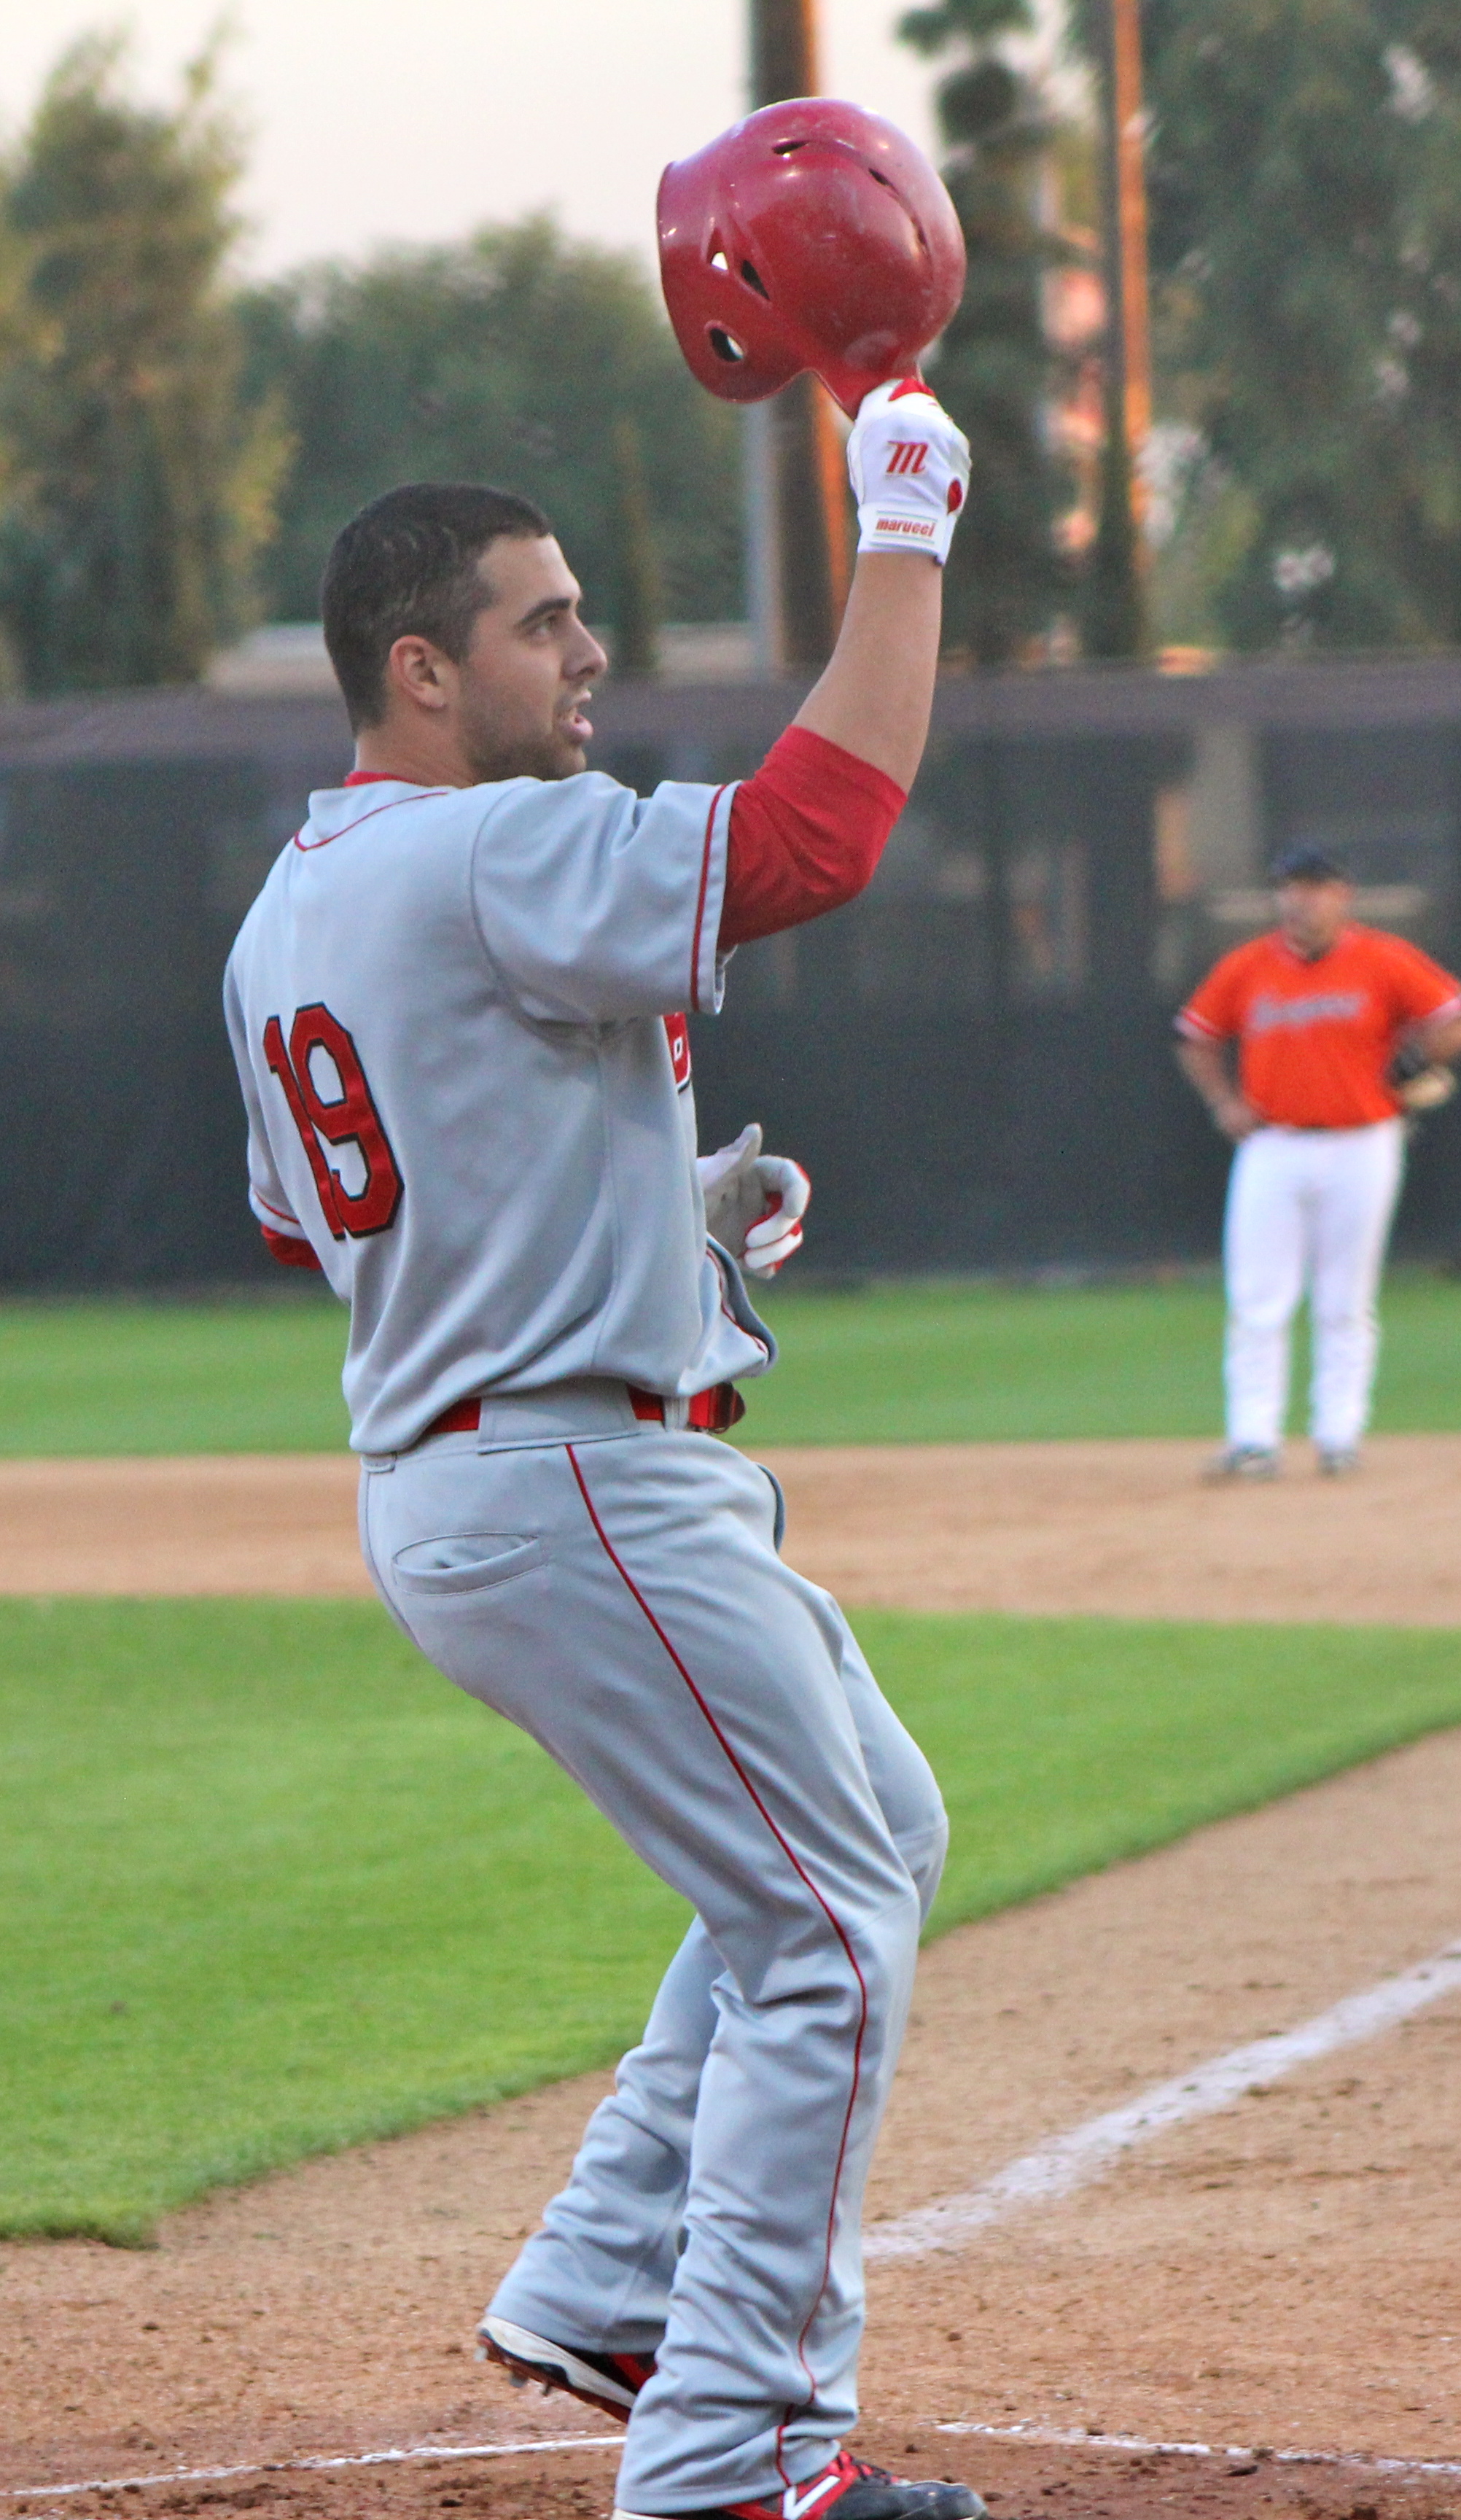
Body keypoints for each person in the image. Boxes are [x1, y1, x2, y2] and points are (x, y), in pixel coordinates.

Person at [222, 381, 988, 2520]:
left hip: (488, 1464)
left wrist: (674, 1216)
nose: (590, 657)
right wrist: (903, 523)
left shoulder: (289, 907)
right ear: (421, 667)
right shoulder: (490, 839)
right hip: (571, 1476)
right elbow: (815, 837)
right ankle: (731, 2458)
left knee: (872, 1832)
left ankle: (609, 2279)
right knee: (826, 1927)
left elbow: (331, 1223)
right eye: (545, 624)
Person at [1174, 845, 1461, 1478]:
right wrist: (1222, 1103)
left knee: (1345, 1299)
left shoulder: (1382, 958)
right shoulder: (1248, 965)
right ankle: (1253, 1440)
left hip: (1362, 1142)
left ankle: (1338, 1436)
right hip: (1273, 1145)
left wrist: (1424, 1059)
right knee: (1258, 1298)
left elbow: (1457, 1022)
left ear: (1343, 895)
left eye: (1315, 886)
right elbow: (1196, 1037)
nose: (1301, 898)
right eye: (1290, 886)